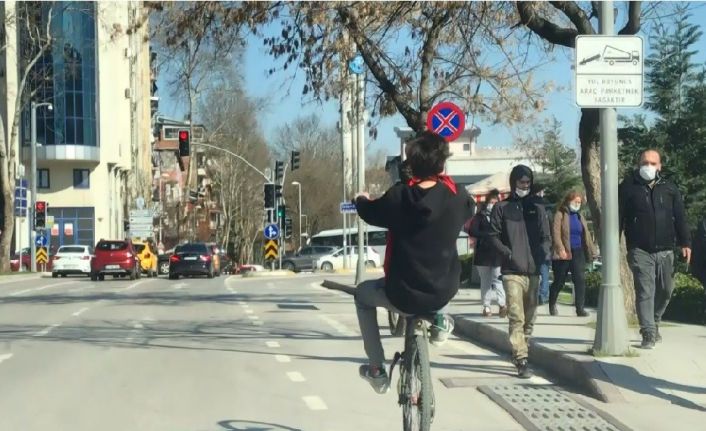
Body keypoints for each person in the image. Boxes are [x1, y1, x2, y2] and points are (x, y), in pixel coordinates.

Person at [353, 131, 475, 393]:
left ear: (410, 164)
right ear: (442, 163)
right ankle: (439, 321)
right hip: (444, 289)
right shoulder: (457, 196)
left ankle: (376, 369)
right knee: (435, 291)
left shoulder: (399, 198)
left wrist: (360, 199)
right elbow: (470, 207)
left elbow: (368, 211)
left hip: (402, 293)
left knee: (363, 295)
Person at [619, 149, 691, 349]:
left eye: (652, 163)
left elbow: (680, 217)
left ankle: (655, 320)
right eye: (644, 162)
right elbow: (618, 216)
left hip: (666, 249)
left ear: (659, 166)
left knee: (666, 290)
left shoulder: (669, 188)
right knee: (645, 291)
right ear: (638, 163)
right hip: (640, 249)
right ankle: (648, 332)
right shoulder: (627, 187)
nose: (648, 166)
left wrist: (686, 242)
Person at [488, 165, 551, 378]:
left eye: (528, 181)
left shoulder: (538, 207)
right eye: (522, 181)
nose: (525, 185)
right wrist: (507, 253)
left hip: (533, 271)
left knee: (530, 317)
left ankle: (524, 346)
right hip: (512, 271)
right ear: (514, 182)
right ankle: (521, 358)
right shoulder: (502, 208)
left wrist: (543, 257)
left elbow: (545, 237)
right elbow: (493, 235)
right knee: (516, 315)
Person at [548, 191, 596, 317]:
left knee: (579, 280)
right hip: (564, 251)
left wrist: (592, 251)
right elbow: (556, 233)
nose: (577, 204)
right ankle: (552, 303)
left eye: (579, 202)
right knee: (560, 280)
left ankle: (580, 308)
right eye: (575, 201)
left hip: (578, 251)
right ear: (568, 201)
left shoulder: (580, 216)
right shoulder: (560, 214)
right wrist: (560, 248)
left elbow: (586, 235)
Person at [466, 189, 507, 317]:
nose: (493, 205)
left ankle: (502, 305)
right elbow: (472, 230)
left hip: (497, 253)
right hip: (483, 253)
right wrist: (486, 235)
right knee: (486, 282)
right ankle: (486, 306)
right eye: (491, 202)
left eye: (495, 202)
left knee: (498, 279)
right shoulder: (480, 216)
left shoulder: (501, 217)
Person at [531, 183, 552, 305]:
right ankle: (543, 295)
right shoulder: (546, 206)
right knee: (544, 270)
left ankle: (538, 294)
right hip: (544, 243)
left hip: (534, 243)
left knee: (535, 271)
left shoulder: (528, 204)